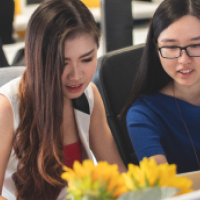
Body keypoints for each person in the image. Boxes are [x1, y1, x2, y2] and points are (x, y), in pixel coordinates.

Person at [0, 0, 126, 200]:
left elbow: (117, 175)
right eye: (61, 62)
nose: (76, 75)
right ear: (36, 59)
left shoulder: (89, 95)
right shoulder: (6, 107)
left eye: (86, 59)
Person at [122, 0, 200, 174]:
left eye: (195, 45)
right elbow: (162, 185)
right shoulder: (143, 114)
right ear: (156, 47)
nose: (183, 60)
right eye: (171, 47)